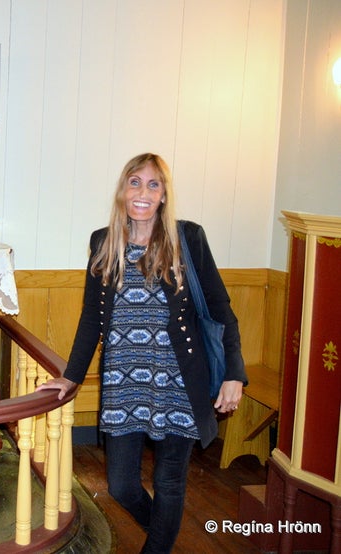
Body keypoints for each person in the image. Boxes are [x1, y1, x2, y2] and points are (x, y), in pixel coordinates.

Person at [37, 152, 246, 553]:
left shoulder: (188, 239)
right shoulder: (104, 242)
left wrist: (233, 373)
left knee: (169, 481)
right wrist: (72, 376)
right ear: (122, 190)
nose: (143, 192)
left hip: (178, 381)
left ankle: (158, 546)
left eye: (153, 184)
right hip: (123, 383)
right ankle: (163, 537)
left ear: (164, 194)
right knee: (121, 485)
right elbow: (91, 318)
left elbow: (221, 310)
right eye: (135, 182)